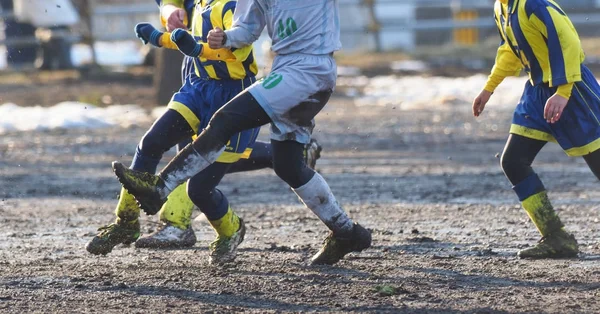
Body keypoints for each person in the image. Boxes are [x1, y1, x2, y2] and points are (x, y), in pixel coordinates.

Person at [111, 0, 372, 265]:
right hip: (286, 67)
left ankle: (160, 188)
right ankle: (346, 232)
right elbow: (247, 29)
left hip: (309, 69)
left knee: (225, 121)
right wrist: (225, 37)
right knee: (288, 165)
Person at [472, 0, 600, 259]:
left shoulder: (535, 5)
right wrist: (489, 88)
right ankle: (556, 236)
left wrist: (563, 92)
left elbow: (570, 44)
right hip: (537, 92)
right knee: (513, 161)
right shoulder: (501, 8)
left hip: (572, 90)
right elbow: (509, 51)